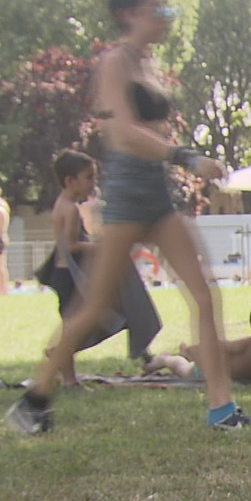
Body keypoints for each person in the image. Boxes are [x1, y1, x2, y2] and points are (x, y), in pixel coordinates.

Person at [3, 0, 251, 434]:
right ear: (129, 13)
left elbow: (150, 128)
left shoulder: (147, 65)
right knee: (94, 308)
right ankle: (35, 398)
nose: (165, 16)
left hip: (157, 195)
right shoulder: (115, 62)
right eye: (157, 8)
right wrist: (184, 156)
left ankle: (221, 409)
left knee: (203, 294)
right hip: (125, 197)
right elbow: (119, 132)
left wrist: (178, 152)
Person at [40, 150, 161, 386]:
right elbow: (72, 245)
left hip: (64, 273)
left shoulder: (61, 204)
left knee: (78, 325)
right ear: (69, 180)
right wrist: (102, 246)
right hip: (70, 276)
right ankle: (66, 371)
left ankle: (66, 371)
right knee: (93, 322)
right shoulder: (71, 210)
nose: (93, 183)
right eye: (88, 177)